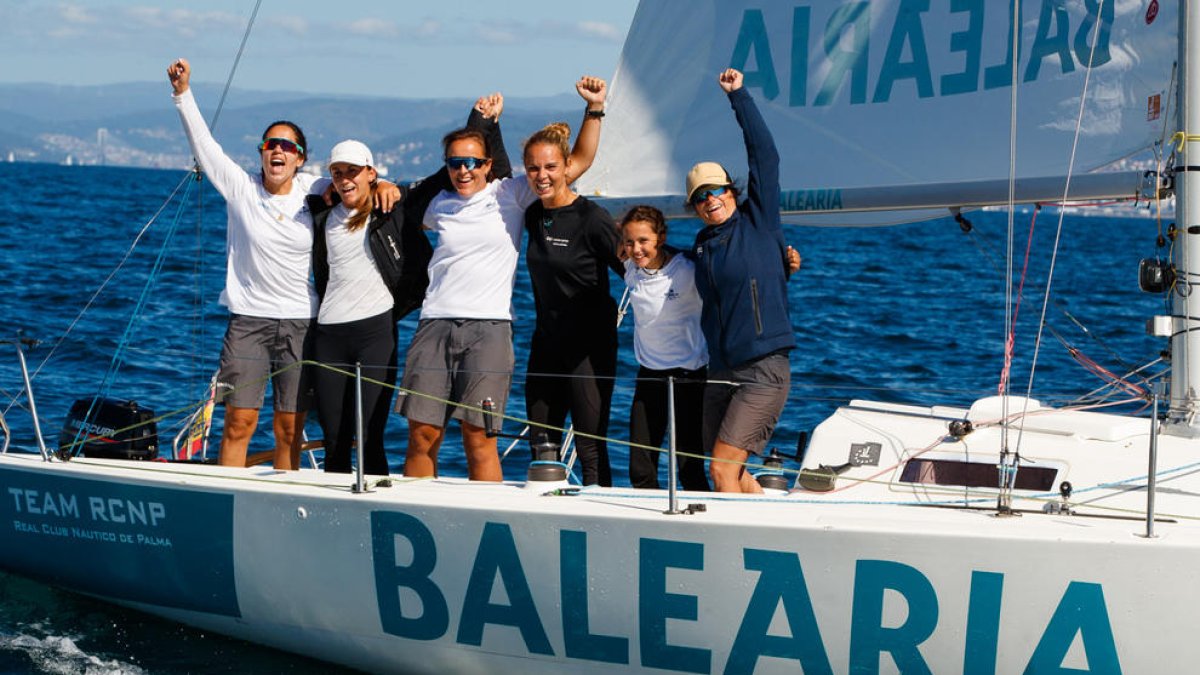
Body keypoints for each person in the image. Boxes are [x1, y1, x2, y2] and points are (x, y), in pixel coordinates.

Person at [167, 58, 399, 470]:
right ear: (261, 154)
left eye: (287, 146)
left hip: (300, 323)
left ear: (299, 158)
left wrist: (384, 183)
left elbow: (357, 182)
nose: (277, 150)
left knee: (289, 427)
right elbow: (204, 146)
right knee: (239, 421)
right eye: (270, 145)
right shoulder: (241, 188)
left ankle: (286, 499)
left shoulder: (315, 190)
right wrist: (183, 93)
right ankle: (227, 496)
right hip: (249, 322)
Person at [400, 77, 606, 482]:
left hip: (490, 329)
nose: (464, 170)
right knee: (422, 434)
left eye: (473, 162)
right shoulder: (436, 205)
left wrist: (594, 109)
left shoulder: (510, 195)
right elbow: (389, 212)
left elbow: (577, 161)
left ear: (488, 164)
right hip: (434, 324)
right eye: (455, 163)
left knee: (479, 436)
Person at [308, 97, 507, 475]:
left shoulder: (390, 211)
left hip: (375, 330)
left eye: (354, 171)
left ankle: (377, 515)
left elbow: (442, 175)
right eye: (337, 172)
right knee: (334, 439)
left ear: (370, 172)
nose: (345, 178)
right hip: (328, 333)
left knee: (370, 437)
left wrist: (482, 121)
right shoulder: (320, 213)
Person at [689, 68, 798, 493]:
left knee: (720, 469)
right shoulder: (701, 246)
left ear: (732, 191)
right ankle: (772, 525)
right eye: (700, 196)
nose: (710, 199)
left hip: (762, 367)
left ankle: (730, 555)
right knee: (727, 472)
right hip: (720, 368)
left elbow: (765, 158)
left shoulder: (759, 221)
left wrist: (739, 98)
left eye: (716, 190)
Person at [523, 111, 620, 486]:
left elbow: (635, 266)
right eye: (533, 169)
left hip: (590, 350)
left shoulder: (591, 218)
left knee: (590, 445)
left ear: (568, 167)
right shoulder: (533, 214)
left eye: (550, 167)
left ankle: (603, 519)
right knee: (541, 441)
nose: (541, 175)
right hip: (546, 345)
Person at [619, 206, 710, 491]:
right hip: (649, 375)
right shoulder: (629, 266)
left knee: (689, 468)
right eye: (630, 241)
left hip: (688, 376)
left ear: (660, 237)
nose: (636, 249)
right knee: (640, 469)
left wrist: (784, 266)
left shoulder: (686, 269)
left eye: (644, 241)